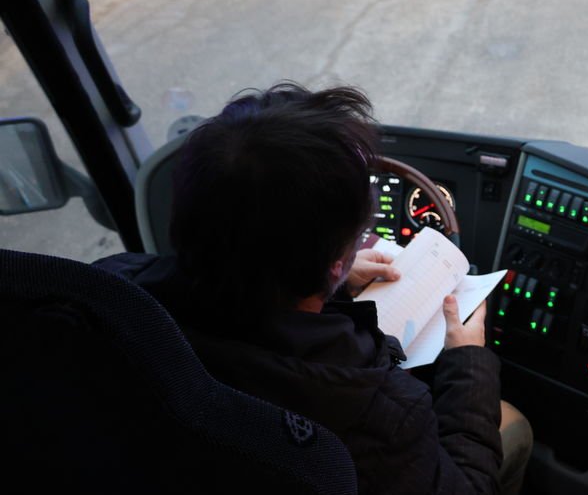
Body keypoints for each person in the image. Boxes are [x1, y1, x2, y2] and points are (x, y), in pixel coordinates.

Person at [95, 83, 530, 495]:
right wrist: (468, 365)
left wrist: (331, 279)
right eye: (357, 236)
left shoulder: (110, 288)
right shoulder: (376, 413)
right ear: (337, 258)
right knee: (514, 426)